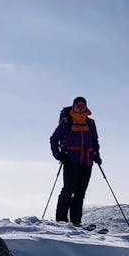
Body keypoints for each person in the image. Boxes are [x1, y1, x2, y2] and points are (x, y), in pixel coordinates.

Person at [49, 96, 101, 226]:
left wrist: (96, 154)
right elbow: (54, 139)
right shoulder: (67, 122)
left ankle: (76, 221)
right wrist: (58, 155)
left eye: (82, 105)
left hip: (87, 161)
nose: (80, 107)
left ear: (86, 107)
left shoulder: (90, 123)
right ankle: (61, 220)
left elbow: (94, 141)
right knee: (68, 189)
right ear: (73, 107)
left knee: (80, 192)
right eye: (78, 105)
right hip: (70, 159)